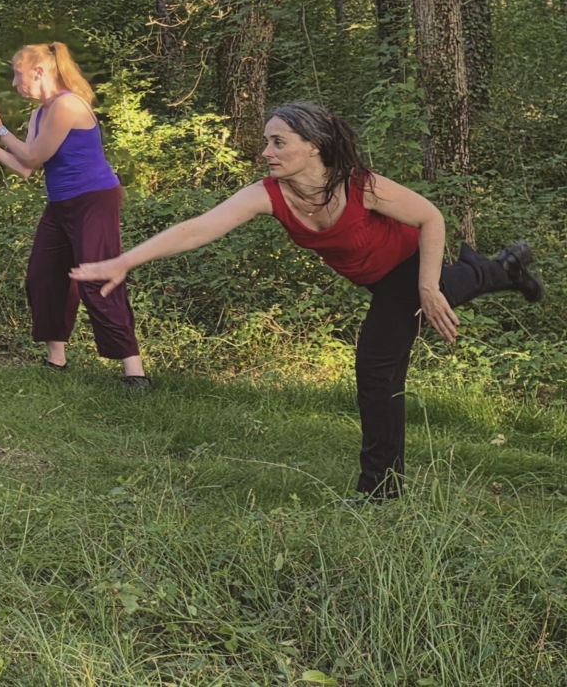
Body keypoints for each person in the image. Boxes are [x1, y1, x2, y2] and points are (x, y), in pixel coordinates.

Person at [72, 100, 543, 500]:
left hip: (406, 267)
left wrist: (426, 285)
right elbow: (199, 228)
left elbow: (431, 217)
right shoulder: (269, 195)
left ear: (312, 146)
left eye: (279, 142)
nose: (266, 152)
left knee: (377, 369)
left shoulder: (360, 184)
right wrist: (126, 261)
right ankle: (501, 270)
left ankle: (380, 491)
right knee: (435, 303)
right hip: (378, 281)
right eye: (266, 142)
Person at [0, 42, 147, 387]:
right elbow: (26, 168)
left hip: (94, 200)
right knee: (43, 277)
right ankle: (55, 361)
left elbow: (31, 156)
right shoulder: (39, 113)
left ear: (39, 72)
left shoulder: (67, 105)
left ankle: (135, 373)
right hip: (60, 204)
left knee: (96, 278)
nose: (15, 84)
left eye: (18, 76)